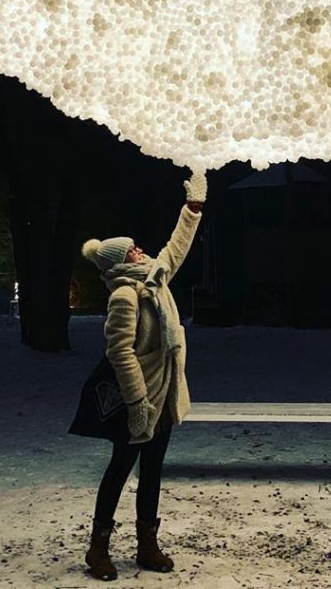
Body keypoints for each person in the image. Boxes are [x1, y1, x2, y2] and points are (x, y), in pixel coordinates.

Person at [80, 168, 207, 581]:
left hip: (163, 393)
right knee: (120, 468)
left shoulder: (154, 278)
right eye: (133, 250)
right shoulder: (125, 294)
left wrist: (192, 208)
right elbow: (120, 353)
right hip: (139, 397)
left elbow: (177, 248)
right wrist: (137, 404)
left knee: (153, 469)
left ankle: (147, 545)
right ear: (121, 262)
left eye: (136, 246)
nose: (141, 251)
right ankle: (98, 547)